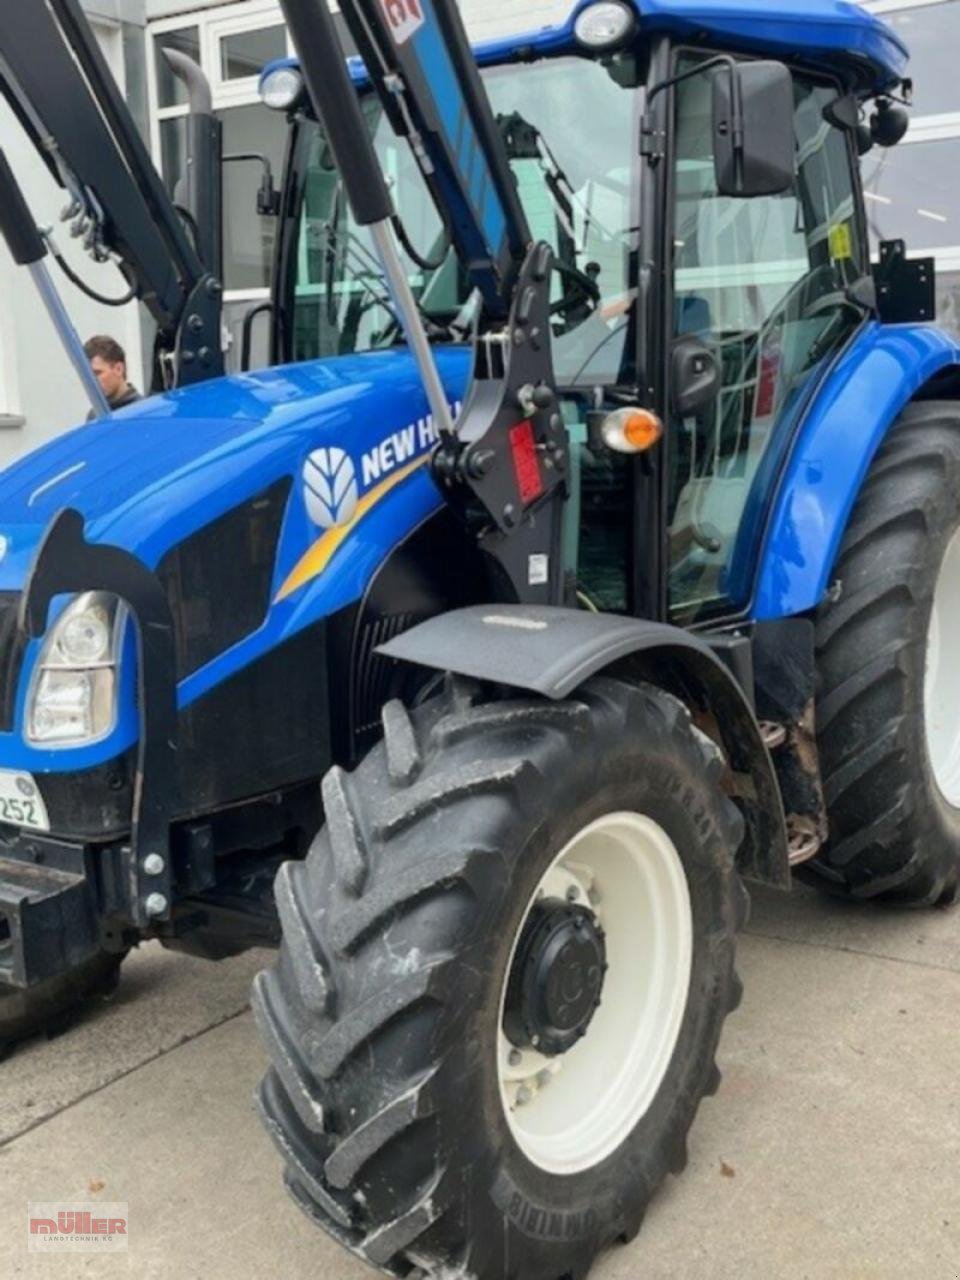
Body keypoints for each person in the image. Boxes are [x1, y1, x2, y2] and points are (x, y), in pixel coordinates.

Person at [83, 335, 141, 416]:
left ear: (119, 369)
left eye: (97, 373)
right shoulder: (94, 416)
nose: (92, 381)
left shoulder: (143, 412)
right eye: (88, 376)